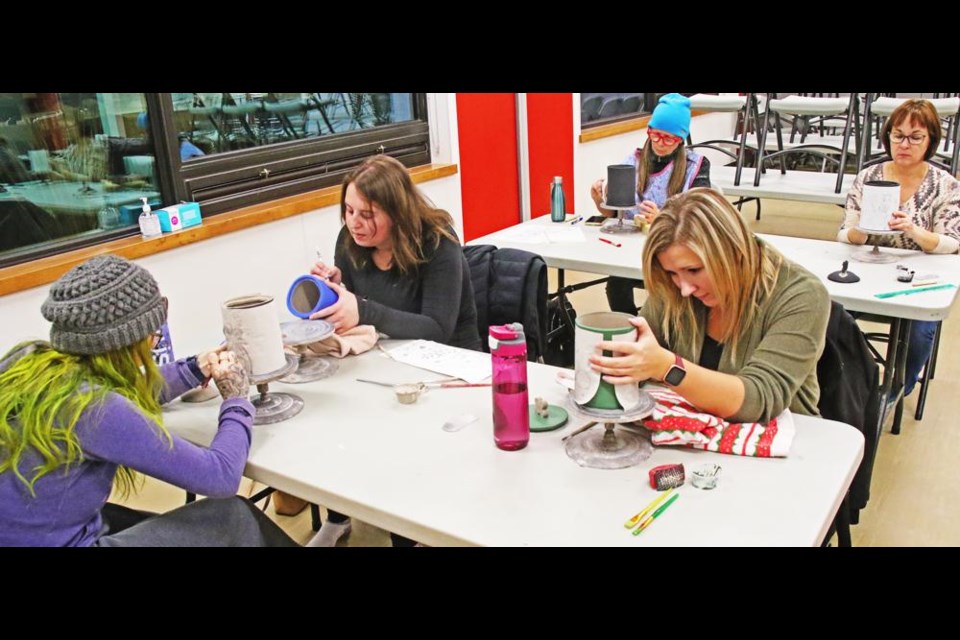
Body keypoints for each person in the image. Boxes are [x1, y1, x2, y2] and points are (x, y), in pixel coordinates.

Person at [0, 254, 298, 547]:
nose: (154, 343)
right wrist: (236, 398)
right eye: (153, 336)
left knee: (143, 521)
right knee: (234, 517)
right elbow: (219, 477)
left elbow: (125, 390)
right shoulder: (94, 408)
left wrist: (192, 368)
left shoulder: (32, 363)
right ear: (124, 342)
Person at [285, 154, 480, 547]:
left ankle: (410, 530)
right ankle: (338, 515)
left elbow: (436, 329)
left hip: (450, 369)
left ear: (397, 212)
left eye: (368, 214)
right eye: (349, 210)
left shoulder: (438, 245)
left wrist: (364, 308)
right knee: (332, 415)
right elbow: (360, 311)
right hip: (384, 360)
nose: (355, 222)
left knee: (400, 449)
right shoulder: (351, 242)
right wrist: (339, 290)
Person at [589, 188, 830, 424]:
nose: (684, 289)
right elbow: (641, 350)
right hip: (697, 438)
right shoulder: (675, 288)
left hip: (785, 446)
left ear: (734, 251)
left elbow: (759, 399)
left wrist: (667, 367)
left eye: (694, 270)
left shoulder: (801, 294)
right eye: (673, 273)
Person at [838, 98, 960, 399]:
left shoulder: (945, 185)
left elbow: (951, 243)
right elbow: (844, 233)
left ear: (930, 140)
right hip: (868, 269)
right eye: (897, 135)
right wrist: (862, 231)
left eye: (915, 137)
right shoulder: (869, 177)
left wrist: (913, 230)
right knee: (832, 314)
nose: (904, 144)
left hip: (918, 275)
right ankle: (852, 380)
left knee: (919, 330)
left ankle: (895, 390)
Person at [589, 93, 711, 314]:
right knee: (616, 285)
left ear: (681, 140)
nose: (660, 143)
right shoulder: (632, 162)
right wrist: (600, 200)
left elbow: (701, 218)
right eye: (655, 136)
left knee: (665, 292)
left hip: (674, 249)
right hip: (631, 248)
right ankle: (632, 329)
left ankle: (659, 333)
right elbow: (614, 212)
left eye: (668, 139)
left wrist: (664, 220)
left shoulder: (696, 167)